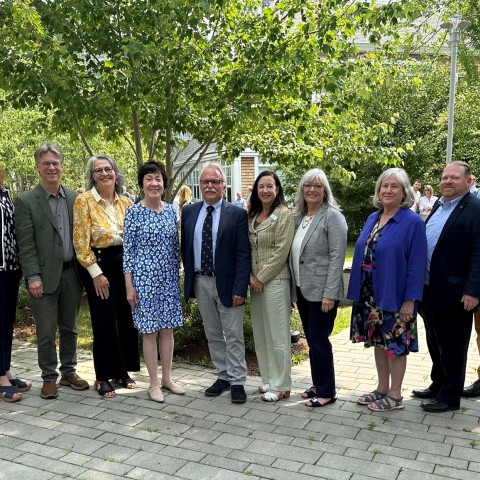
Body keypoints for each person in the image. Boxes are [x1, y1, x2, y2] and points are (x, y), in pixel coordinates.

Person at [348, 168, 427, 412]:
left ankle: (395, 395)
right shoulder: (374, 217)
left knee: (394, 345)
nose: (388, 190)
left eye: (394, 186)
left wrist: (410, 300)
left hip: (394, 293)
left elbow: (417, 264)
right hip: (370, 292)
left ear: (404, 192)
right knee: (379, 342)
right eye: (384, 186)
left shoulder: (412, 221)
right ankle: (382, 388)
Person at [15, 143, 88, 400]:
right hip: (43, 278)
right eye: (46, 163)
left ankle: (69, 372)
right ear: (38, 168)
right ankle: (48, 377)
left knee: (70, 328)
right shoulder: (25, 201)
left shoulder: (75, 198)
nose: (51, 168)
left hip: (73, 274)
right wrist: (32, 276)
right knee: (46, 331)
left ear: (62, 167)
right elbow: (25, 243)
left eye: (56, 163)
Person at [412, 161, 480, 412]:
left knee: (453, 345)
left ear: (468, 181)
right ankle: (438, 383)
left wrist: (473, 290)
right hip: (430, 288)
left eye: (454, 178)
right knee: (434, 340)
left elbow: (479, 253)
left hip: (457, 292)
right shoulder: (439, 204)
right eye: (444, 177)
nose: (447, 181)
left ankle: (450, 396)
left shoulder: (475, 208)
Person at [181, 162, 250, 404]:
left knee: (233, 334)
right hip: (201, 282)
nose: (210, 185)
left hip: (229, 285)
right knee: (213, 333)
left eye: (215, 182)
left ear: (224, 185)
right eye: (205, 182)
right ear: (200, 186)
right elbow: (185, 249)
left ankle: (238, 380)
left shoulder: (238, 214)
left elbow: (243, 255)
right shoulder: (190, 212)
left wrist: (240, 287)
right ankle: (223, 376)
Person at [73, 155, 140, 398]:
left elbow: (134, 239)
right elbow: (80, 243)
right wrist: (96, 275)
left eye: (108, 169)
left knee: (124, 318)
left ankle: (121, 372)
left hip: (124, 265)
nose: (104, 174)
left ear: (115, 172)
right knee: (104, 321)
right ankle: (102, 376)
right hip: (98, 265)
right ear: (92, 176)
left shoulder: (126, 203)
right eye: (98, 170)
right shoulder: (84, 201)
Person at [123, 161, 184, 403]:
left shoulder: (171, 211)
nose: (154, 183)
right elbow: (128, 253)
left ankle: (168, 379)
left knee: (167, 330)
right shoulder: (133, 213)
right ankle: (154, 383)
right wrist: (129, 286)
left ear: (164, 184)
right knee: (149, 332)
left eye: (158, 178)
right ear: (142, 185)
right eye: (149, 179)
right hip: (144, 282)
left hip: (168, 279)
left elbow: (176, 247)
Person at [289, 169, 347, 408]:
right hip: (303, 290)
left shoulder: (332, 217)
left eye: (318, 186)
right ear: (302, 190)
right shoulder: (299, 217)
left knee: (319, 340)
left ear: (325, 191)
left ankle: (326, 392)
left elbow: (337, 257)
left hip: (323, 292)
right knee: (313, 340)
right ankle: (317, 383)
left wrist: (330, 293)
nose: (312, 189)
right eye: (307, 185)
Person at [247, 171, 294, 402]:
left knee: (278, 336)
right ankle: (268, 380)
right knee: (262, 334)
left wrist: (261, 277)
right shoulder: (254, 215)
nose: (265, 190)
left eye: (270, 186)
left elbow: (282, 250)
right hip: (255, 283)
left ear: (277, 189)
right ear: (256, 190)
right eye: (261, 186)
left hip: (275, 280)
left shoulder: (284, 214)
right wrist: (250, 277)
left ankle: (282, 384)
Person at [0, 166, 31, 403]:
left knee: (6, 321)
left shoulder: (4, 191)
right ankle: (0, 378)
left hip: (10, 267)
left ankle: (6, 370)